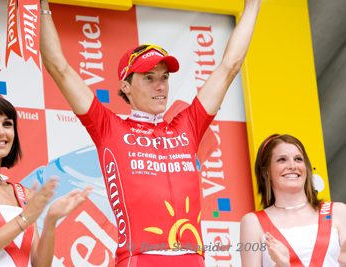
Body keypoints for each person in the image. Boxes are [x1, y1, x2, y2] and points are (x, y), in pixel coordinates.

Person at [40, 0, 261, 265]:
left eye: (164, 77)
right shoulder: (109, 127)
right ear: (125, 86)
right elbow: (59, 67)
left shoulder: (187, 125)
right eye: (149, 77)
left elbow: (229, 66)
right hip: (140, 259)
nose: (160, 86)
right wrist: (42, 6)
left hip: (192, 259)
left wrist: (252, 7)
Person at [0, 91, 91, 267]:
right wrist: (23, 220)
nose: (1, 132)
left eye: (7, 124)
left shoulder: (23, 194)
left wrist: (50, 221)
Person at [240, 134, 346, 267]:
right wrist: (280, 265)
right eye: (282, 160)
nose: (292, 165)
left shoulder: (338, 211)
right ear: (265, 171)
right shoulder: (252, 222)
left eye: (298, 159)